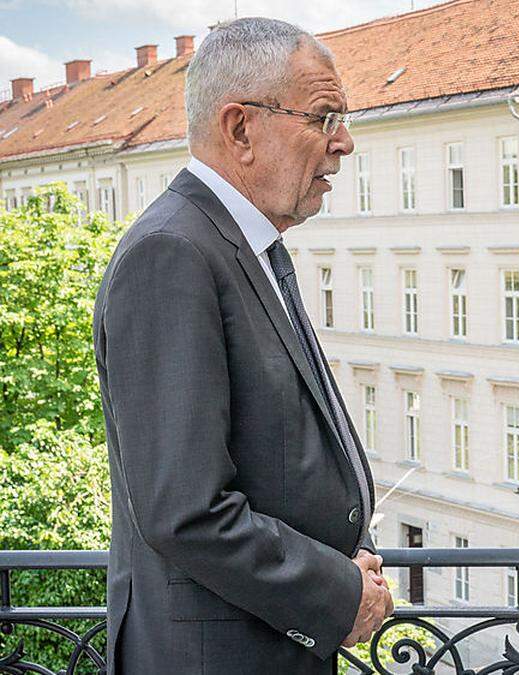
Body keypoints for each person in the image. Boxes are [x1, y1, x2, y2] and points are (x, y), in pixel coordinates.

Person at [93, 17, 393, 672]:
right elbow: (187, 510)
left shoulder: (244, 246)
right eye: (323, 117)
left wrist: (347, 554)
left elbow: (280, 460)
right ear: (239, 129)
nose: (343, 142)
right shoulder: (171, 252)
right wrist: (338, 591)